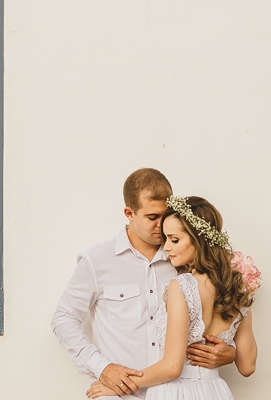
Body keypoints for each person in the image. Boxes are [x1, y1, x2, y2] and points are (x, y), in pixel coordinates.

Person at [52, 170, 239, 398]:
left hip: (176, 392)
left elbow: (216, 313)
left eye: (166, 215)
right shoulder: (97, 260)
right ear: (129, 213)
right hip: (117, 393)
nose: (161, 225)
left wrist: (230, 352)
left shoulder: (184, 260)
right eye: (152, 217)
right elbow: (64, 318)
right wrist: (102, 368)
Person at [85, 195, 257, 400]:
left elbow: (173, 367)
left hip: (175, 391)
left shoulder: (182, 286)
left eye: (174, 240)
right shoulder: (238, 290)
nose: (166, 248)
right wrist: (229, 352)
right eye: (166, 239)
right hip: (216, 391)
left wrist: (121, 386)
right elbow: (247, 366)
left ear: (199, 240)